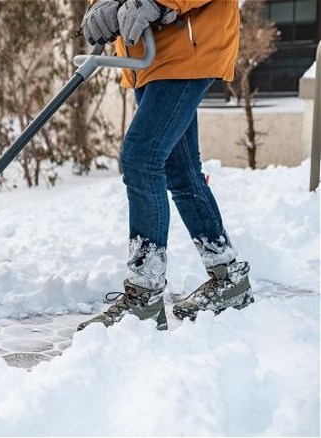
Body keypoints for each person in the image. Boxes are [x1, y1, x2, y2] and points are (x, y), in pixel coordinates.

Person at [77, 0, 253, 331]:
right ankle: (227, 279)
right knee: (181, 170)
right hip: (149, 57)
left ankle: (144, 293)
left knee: (141, 158)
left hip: (188, 47)